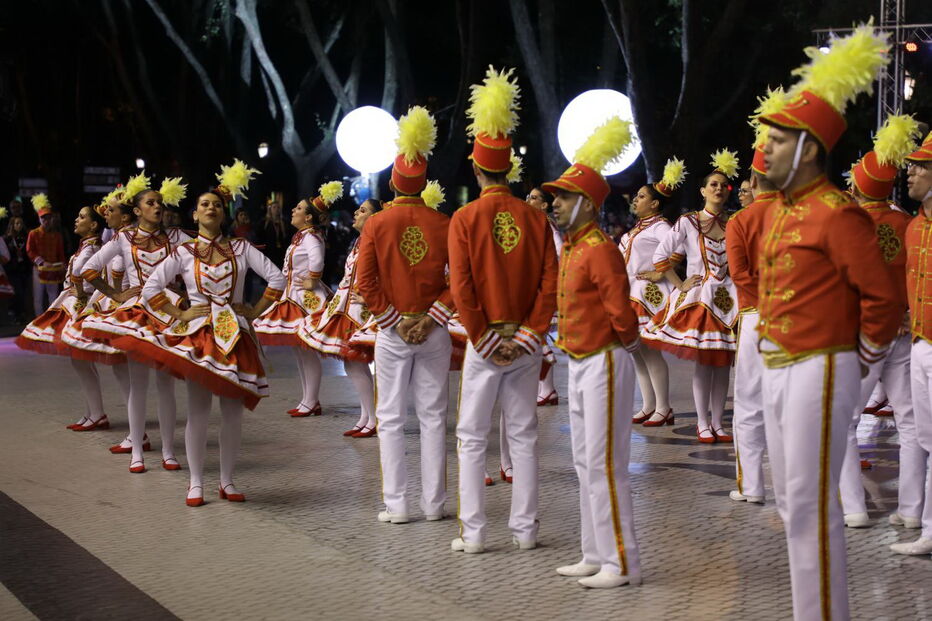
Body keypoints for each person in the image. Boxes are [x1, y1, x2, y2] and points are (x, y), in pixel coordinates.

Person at [755, 25, 899, 619]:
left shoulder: (838, 215)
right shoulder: (779, 212)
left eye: (777, 140)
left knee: (812, 506)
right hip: (781, 365)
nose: (764, 151)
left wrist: (853, 358)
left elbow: (883, 301)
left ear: (810, 148)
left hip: (822, 368)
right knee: (793, 502)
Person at [128, 162, 284, 506]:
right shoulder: (183, 252)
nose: (211, 208)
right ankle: (195, 482)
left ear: (223, 214)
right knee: (198, 410)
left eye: (216, 204)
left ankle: (227, 481)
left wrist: (254, 311)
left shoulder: (242, 249)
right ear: (194, 215)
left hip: (235, 336)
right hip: (199, 336)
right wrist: (179, 312)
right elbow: (151, 287)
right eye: (204, 205)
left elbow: (278, 278)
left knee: (231, 412)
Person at [448, 67, 558, 553]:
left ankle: (473, 535)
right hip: (527, 343)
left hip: (484, 342)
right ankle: (526, 533)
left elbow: (462, 287)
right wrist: (531, 334)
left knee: (472, 438)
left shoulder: (465, 218)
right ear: (509, 169)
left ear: (476, 170)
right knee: (525, 437)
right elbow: (549, 282)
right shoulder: (535, 218)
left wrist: (486, 338)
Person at [543, 116, 642, 588]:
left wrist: (626, 346)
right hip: (580, 361)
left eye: (562, 197)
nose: (554, 204)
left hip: (603, 360)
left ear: (585, 204)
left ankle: (621, 562)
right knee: (585, 463)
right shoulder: (575, 246)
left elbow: (622, 314)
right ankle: (594, 552)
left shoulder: (600, 248)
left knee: (605, 465)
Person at [356, 106, 454, 524]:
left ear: (394, 182)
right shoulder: (444, 222)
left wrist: (395, 320)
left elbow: (366, 282)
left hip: (393, 333)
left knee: (391, 418)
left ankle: (396, 505)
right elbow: (459, 283)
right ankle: (435, 506)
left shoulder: (376, 224)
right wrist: (431, 317)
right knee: (434, 418)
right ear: (423, 183)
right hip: (434, 331)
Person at [838, 114, 925, 529]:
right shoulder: (908, 224)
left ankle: (854, 507)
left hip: (860, 335)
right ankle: (910, 511)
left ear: (856, 185)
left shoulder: (847, 225)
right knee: (910, 423)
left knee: (846, 421)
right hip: (902, 332)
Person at [80, 174, 189, 473]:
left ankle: (168, 451)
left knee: (166, 384)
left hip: (169, 312)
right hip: (138, 313)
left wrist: (188, 291)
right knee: (138, 385)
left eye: (160, 203)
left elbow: (207, 256)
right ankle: (137, 452)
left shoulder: (177, 237)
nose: (158, 207)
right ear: (137, 211)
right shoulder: (123, 239)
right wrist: (115, 294)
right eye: (151, 203)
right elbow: (88, 269)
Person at [648, 150, 740, 443]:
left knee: (724, 361)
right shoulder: (688, 222)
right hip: (701, 298)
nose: (718, 189)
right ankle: (703, 422)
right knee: (705, 362)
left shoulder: (735, 223)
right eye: (713, 184)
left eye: (723, 186)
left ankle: (718, 422)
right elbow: (661, 256)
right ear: (702, 190)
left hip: (729, 299)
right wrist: (680, 284)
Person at [724, 90, 786, 504]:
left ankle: (752, 487)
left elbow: (739, 274)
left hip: (753, 315)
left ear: (752, 181)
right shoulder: (793, 213)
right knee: (785, 405)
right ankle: (786, 487)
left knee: (748, 404)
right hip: (791, 314)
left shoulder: (740, 220)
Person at [16, 205, 110, 429]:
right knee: (80, 362)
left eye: (82, 217)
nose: (76, 220)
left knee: (81, 361)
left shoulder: (95, 248)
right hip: (73, 302)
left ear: (94, 225)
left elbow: (93, 277)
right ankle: (93, 412)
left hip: (82, 305)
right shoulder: (86, 246)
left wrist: (83, 292)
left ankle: (97, 413)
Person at [254, 182, 339, 417]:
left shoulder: (311, 238)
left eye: (299, 208)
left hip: (305, 300)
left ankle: (311, 400)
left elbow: (317, 261)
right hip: (294, 296)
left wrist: (313, 279)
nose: (293, 210)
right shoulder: (300, 238)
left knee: (306, 350)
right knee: (300, 352)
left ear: (309, 217)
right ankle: (308, 399)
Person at [300, 198, 382, 438]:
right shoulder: (359, 241)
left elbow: (385, 272)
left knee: (355, 361)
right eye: (358, 209)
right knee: (351, 363)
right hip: (346, 306)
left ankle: (373, 418)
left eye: (363, 210)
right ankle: (366, 416)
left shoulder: (376, 241)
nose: (356, 212)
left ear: (375, 218)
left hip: (361, 310)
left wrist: (373, 297)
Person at [61, 189, 136, 450]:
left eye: (111, 209)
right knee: (120, 368)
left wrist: (89, 294)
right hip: (112, 304)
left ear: (127, 216)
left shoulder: (130, 240)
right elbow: (88, 271)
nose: (106, 213)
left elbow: (85, 272)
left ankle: (138, 435)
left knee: (133, 372)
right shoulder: (119, 240)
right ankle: (127, 429)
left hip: (128, 308)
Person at [892, 128, 932, 555]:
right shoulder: (914, 226)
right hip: (920, 341)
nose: (911, 172)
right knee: (924, 437)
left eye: (920, 166)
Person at [621, 158, 684, 427]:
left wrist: (661, 272)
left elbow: (679, 248)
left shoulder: (660, 227)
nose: (636, 200)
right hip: (631, 294)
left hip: (649, 296)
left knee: (649, 351)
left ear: (655, 204)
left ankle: (664, 407)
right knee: (637, 351)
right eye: (636, 196)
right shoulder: (638, 229)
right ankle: (648, 404)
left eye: (642, 196)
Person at [526, 184, 561, 406]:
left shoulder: (546, 226)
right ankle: (546, 389)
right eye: (528, 196)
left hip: (542, 289)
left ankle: (547, 389)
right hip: (536, 287)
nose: (529, 200)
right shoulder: (535, 225)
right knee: (537, 336)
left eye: (535, 198)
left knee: (538, 335)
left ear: (545, 204)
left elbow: (559, 252)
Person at [26, 194, 65, 316]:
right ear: (39, 219)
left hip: (54, 269)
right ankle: (39, 322)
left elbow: (60, 252)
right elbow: (30, 250)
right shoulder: (33, 233)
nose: (46, 221)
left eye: (48, 218)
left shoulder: (57, 235)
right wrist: (41, 262)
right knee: (38, 297)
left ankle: (51, 320)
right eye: (44, 218)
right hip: (39, 269)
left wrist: (63, 265)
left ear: (52, 218)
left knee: (53, 297)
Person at [4, 215, 30, 322]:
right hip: (12, 270)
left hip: (23, 269)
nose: (19, 225)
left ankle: (21, 314)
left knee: (23, 293)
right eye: (17, 223)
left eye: (21, 223)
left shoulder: (26, 236)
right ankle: (17, 314)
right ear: (12, 225)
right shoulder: (7, 239)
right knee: (17, 292)